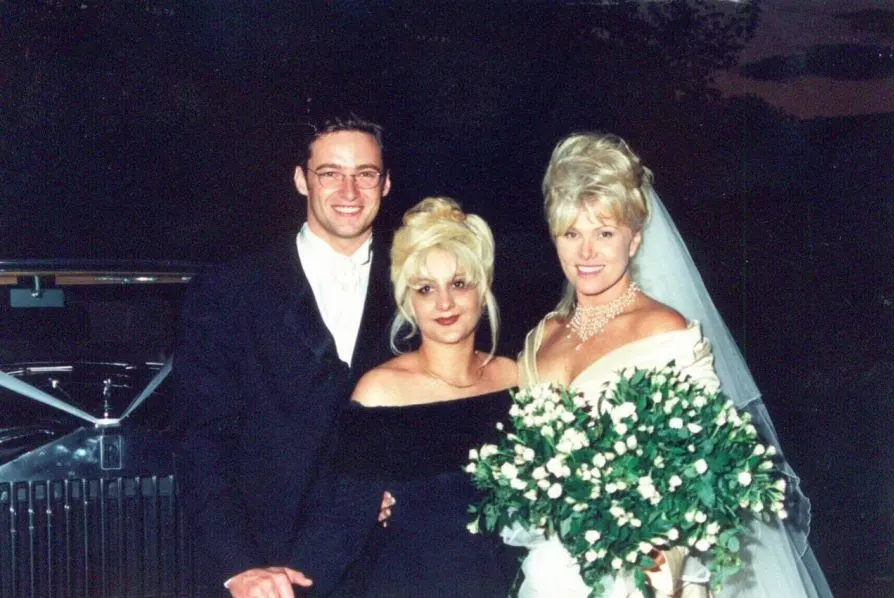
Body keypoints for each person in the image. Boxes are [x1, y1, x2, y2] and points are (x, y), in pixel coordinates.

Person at [514, 132, 833, 597]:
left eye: (605, 233)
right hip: (552, 574)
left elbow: (706, 471)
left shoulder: (666, 332)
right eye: (572, 233)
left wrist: (668, 563)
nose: (586, 253)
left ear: (635, 239)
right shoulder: (541, 337)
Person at [171, 112, 397, 597]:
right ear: (301, 180)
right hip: (269, 573)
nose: (349, 191)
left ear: (386, 183)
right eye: (330, 173)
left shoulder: (422, 286)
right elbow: (200, 442)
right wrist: (239, 567)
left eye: (365, 174)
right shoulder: (229, 289)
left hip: (389, 568)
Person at [290, 196, 524, 597]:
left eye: (459, 284)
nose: (444, 303)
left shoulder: (515, 378)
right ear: (408, 300)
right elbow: (340, 526)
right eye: (426, 289)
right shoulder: (381, 391)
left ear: (482, 288)